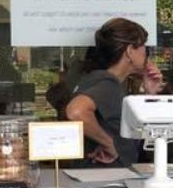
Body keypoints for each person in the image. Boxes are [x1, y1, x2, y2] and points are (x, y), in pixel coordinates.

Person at [65, 18, 164, 166]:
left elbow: (136, 129)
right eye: (143, 46)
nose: (146, 52)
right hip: (107, 174)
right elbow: (76, 112)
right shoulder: (107, 83)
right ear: (130, 51)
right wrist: (109, 144)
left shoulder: (97, 79)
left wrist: (150, 93)